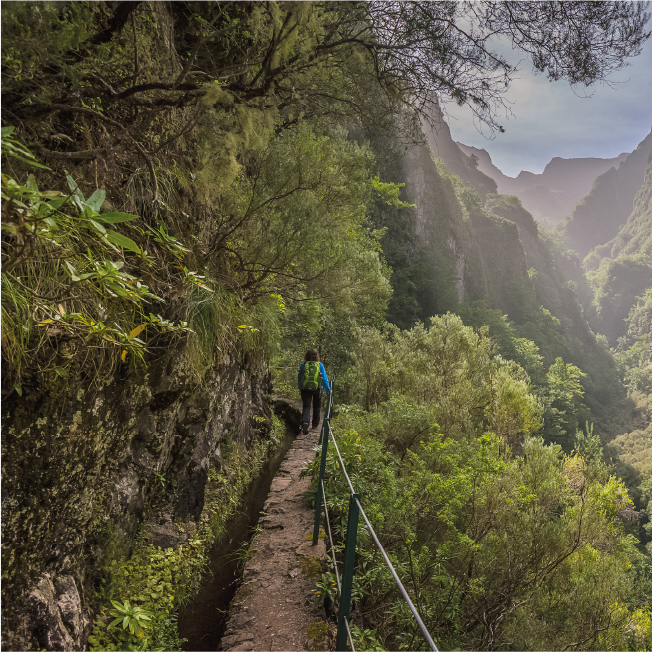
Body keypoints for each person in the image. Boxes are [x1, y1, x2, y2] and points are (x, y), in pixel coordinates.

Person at [298, 349, 330, 435]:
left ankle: (305, 422)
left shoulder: (303, 365)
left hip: (305, 389)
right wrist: (328, 390)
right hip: (317, 388)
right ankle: (315, 424)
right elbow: (324, 379)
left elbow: (300, 377)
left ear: (306, 356)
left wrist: (300, 387)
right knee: (317, 406)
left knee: (306, 406)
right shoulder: (320, 365)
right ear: (317, 356)